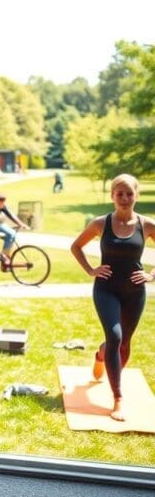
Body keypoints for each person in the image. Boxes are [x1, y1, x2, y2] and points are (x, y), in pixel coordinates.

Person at [70, 174, 155, 421]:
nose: (125, 198)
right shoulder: (100, 223)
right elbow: (76, 246)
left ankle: (101, 355)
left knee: (124, 343)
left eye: (129, 193)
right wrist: (90, 270)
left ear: (136, 195)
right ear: (112, 196)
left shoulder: (147, 225)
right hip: (106, 288)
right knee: (114, 335)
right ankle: (118, 397)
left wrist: (152, 275)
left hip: (134, 292)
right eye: (120, 194)